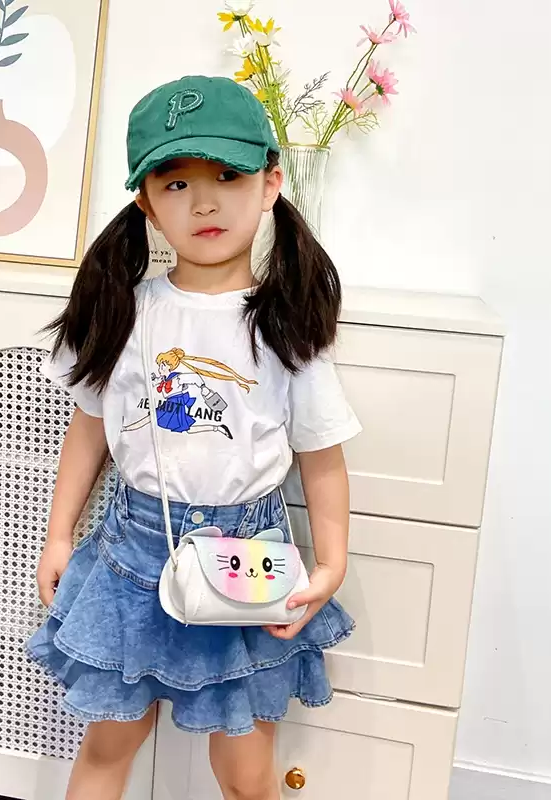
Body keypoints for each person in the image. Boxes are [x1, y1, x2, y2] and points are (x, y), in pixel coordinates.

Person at [26, 74, 362, 800]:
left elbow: (321, 456)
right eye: (176, 183)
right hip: (132, 556)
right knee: (109, 745)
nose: (204, 202)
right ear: (146, 203)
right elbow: (89, 429)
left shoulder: (286, 322)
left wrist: (331, 564)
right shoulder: (124, 311)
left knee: (246, 771)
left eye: (227, 176)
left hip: (249, 558)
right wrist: (58, 534)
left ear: (270, 183)